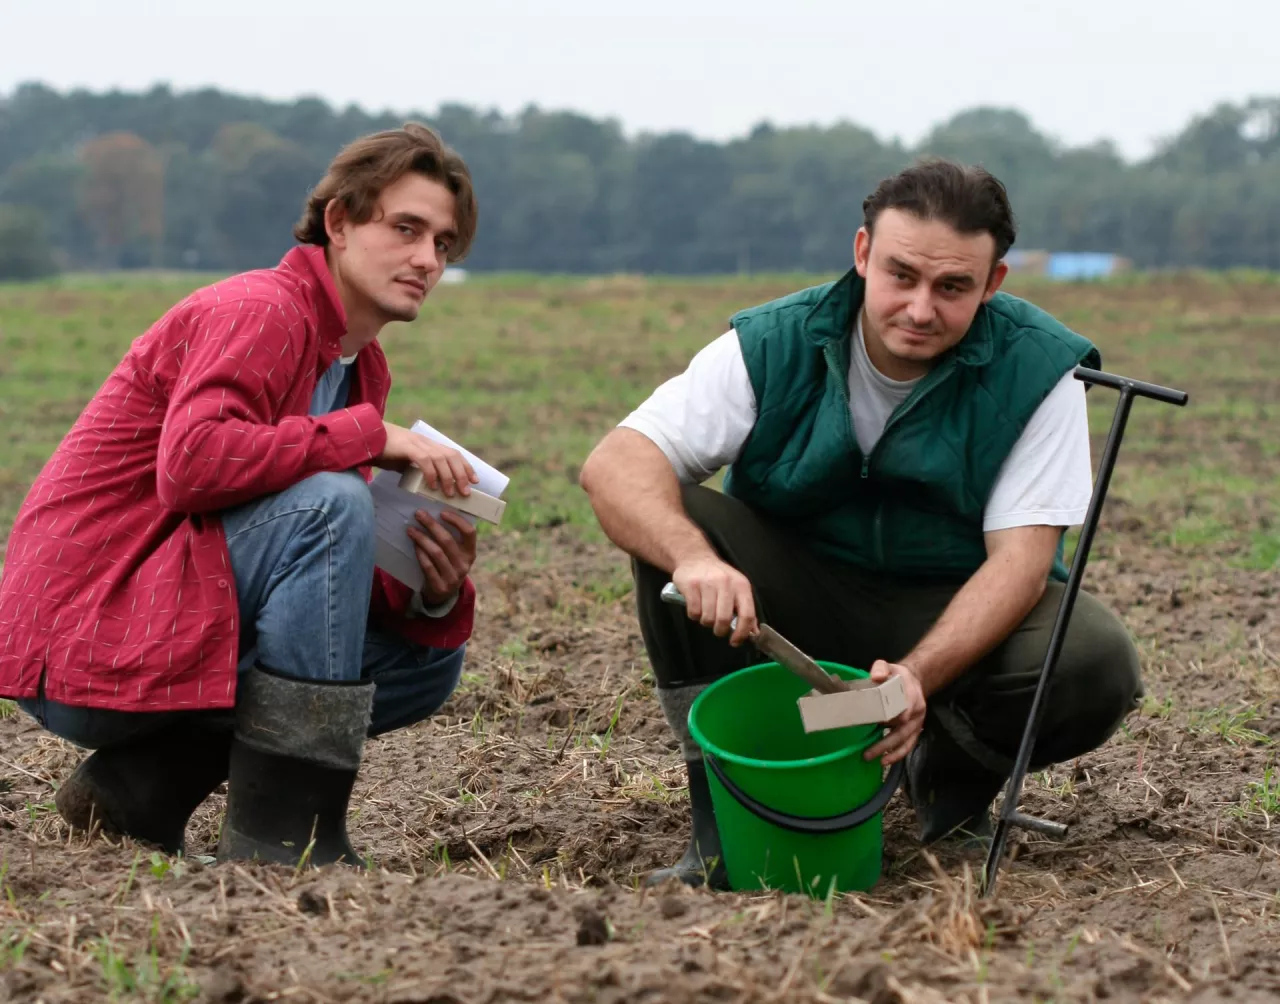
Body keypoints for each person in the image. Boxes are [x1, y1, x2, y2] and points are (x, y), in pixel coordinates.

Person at [580, 159, 1143, 889]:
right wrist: (694, 558)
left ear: (994, 284)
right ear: (862, 254)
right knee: (673, 518)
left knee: (1092, 657)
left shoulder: (1039, 369)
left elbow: (1019, 563)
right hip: (796, 597)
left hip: (948, 608)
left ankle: (949, 776)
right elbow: (615, 463)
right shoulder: (776, 340)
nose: (919, 308)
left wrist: (913, 678)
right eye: (901, 275)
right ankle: (722, 820)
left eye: (952, 288)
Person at [0, 123, 485, 867]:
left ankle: (135, 792)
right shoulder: (264, 309)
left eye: (443, 244)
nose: (427, 259)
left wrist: (429, 591)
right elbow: (192, 465)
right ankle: (283, 833)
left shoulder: (358, 363)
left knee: (421, 663)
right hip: (94, 621)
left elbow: (308, 577)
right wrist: (367, 434)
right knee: (331, 501)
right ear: (339, 223)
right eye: (406, 228)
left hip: (180, 609)